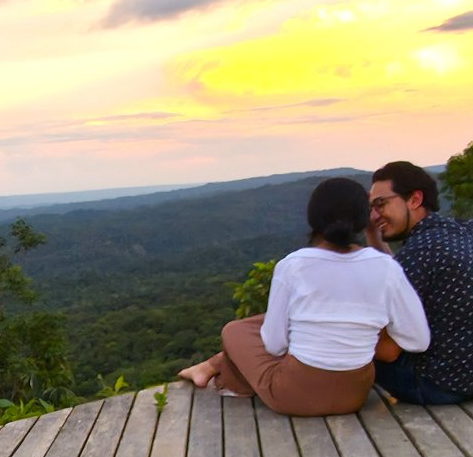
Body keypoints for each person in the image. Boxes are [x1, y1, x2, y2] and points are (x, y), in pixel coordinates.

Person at [177, 177, 430, 416]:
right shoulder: (386, 267)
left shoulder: (293, 266)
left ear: (314, 219)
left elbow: (275, 344)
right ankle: (210, 367)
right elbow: (418, 340)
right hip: (355, 395)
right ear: (365, 219)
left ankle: (217, 370)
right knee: (279, 322)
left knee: (233, 331)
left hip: (294, 396)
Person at [365, 160, 473, 404]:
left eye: (381, 204)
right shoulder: (469, 231)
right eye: (370, 208)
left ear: (414, 199)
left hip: (434, 384)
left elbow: (389, 352)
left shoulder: (421, 249)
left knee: (341, 350)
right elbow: (399, 276)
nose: (373, 215)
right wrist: (373, 234)